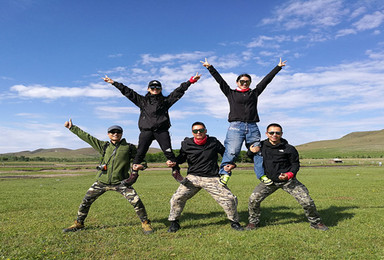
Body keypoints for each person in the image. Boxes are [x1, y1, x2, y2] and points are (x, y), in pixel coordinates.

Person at [201, 58, 286, 186]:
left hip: (252, 126)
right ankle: (224, 174)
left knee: (257, 151)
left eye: (247, 82)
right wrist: (210, 67)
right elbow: (220, 81)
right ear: (237, 82)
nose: (244, 83)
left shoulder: (254, 93)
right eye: (242, 81)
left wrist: (278, 67)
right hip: (236, 127)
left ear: (250, 83)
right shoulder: (231, 93)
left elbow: (266, 80)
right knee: (232, 151)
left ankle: (262, 175)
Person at [62, 119, 153, 234]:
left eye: (118, 132)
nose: (115, 134)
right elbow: (87, 137)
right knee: (86, 201)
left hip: (121, 183)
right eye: (112, 132)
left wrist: (141, 166)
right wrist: (72, 127)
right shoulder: (104, 146)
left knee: (136, 202)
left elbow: (142, 161)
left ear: (121, 134)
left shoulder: (129, 147)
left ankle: (145, 223)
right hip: (102, 182)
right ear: (108, 134)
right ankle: (79, 223)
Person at [103, 74, 200, 180]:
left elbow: (178, 92)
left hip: (161, 131)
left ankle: (175, 171)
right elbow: (128, 92)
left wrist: (190, 82)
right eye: (153, 87)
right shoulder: (142, 101)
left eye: (157, 87)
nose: (155, 89)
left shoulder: (165, 101)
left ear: (161, 89)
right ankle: (133, 174)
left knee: (169, 152)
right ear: (148, 89)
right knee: (140, 153)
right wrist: (114, 83)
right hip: (146, 131)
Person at [246, 123, 328, 231]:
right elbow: (250, 156)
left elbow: (295, 164)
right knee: (253, 199)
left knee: (307, 201)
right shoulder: (260, 146)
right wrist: (250, 151)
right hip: (268, 181)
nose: (274, 135)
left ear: (281, 134)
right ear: (267, 134)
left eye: (277, 133)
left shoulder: (289, 148)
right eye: (271, 132)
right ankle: (253, 222)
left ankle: (316, 223)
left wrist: (290, 174)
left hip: (288, 181)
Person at [166, 122, 243, 232]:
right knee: (177, 198)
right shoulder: (186, 143)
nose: (198, 133)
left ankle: (234, 222)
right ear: (192, 132)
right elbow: (181, 159)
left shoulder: (213, 141)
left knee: (229, 198)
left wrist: (232, 164)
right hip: (193, 177)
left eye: (201, 130)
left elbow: (226, 154)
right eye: (195, 131)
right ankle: (174, 223)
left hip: (212, 177)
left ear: (205, 131)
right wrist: (173, 162)